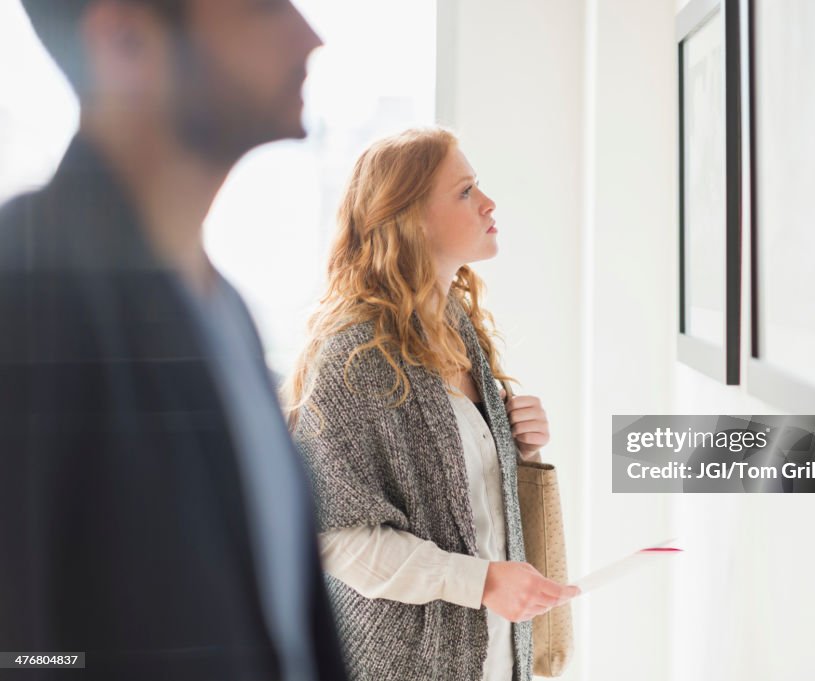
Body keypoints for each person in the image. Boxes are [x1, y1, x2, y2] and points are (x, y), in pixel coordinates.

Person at [0, 1, 345, 679]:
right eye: (264, 9)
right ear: (126, 42)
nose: (311, 36)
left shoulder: (226, 314)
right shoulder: (25, 291)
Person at [284, 128, 578, 681]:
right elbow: (337, 537)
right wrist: (480, 581)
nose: (488, 203)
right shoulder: (355, 357)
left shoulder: (459, 328)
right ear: (410, 217)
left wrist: (522, 449)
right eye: (465, 191)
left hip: (489, 659)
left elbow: (473, 504)